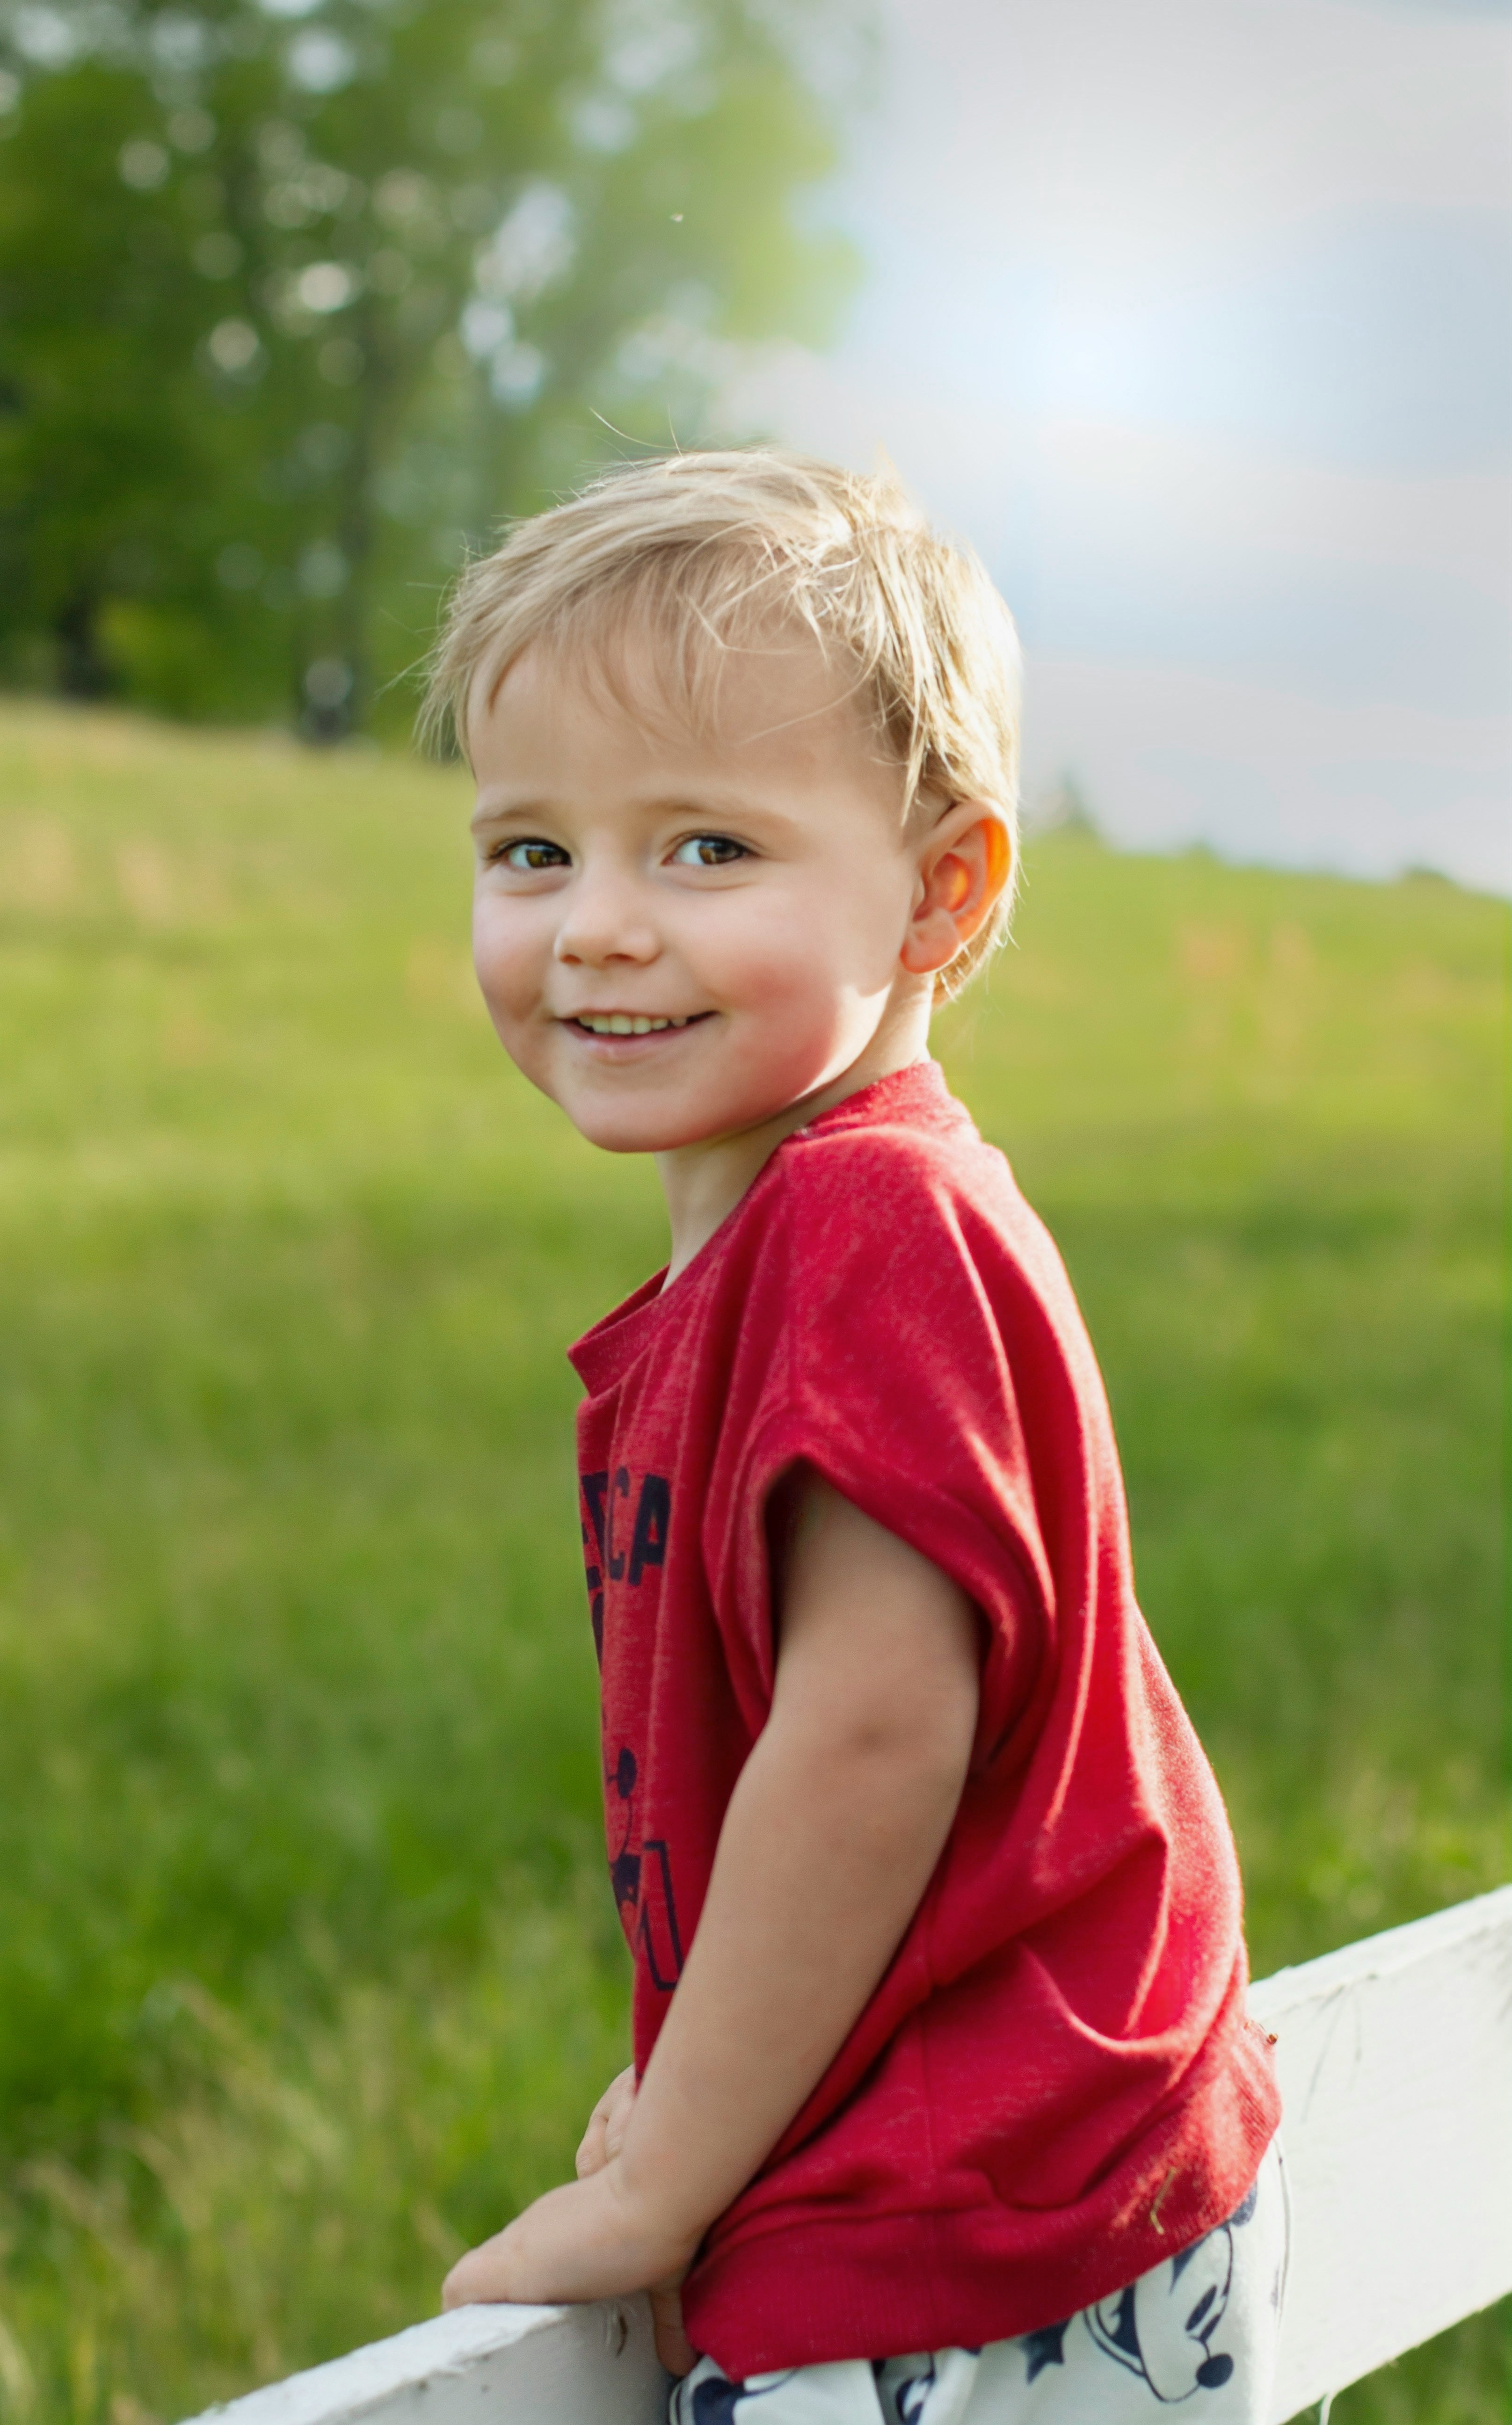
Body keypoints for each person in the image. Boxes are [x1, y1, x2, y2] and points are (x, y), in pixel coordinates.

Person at [428, 450, 1286, 2425]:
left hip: (961, 2245)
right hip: (1024, 2184)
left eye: (706, 849)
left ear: (941, 892)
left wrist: (662, 2179)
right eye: (533, 850)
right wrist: (717, 2060)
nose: (597, 927)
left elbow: (876, 1737)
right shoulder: (833, 1220)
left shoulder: (862, 1221)